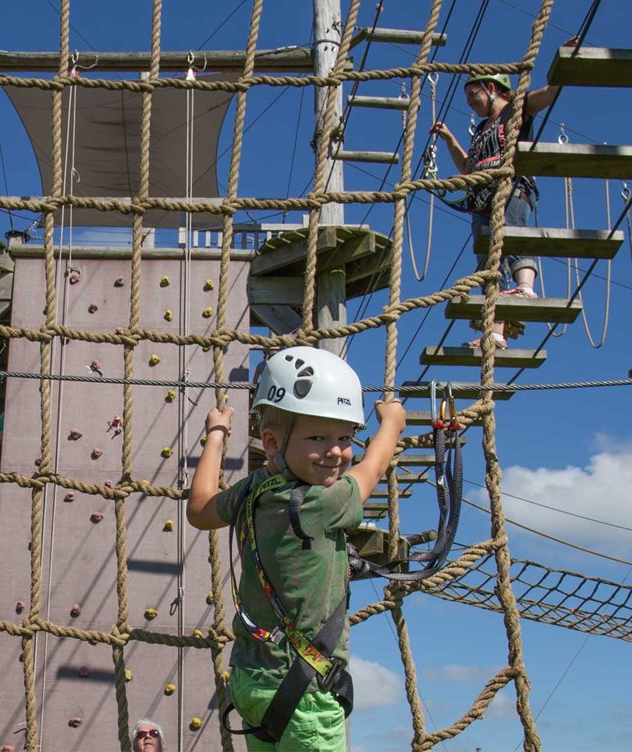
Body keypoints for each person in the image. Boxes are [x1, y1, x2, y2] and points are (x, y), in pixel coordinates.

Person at [187, 346, 407, 750]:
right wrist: (392, 424)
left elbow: (200, 508)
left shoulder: (250, 492)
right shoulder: (324, 501)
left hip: (251, 683)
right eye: (318, 437)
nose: (336, 451)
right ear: (271, 442)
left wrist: (216, 433)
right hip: (306, 692)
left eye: (345, 437)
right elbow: (372, 468)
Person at [429, 55, 572, 349]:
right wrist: (449, 140)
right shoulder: (482, 130)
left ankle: (526, 288)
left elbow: (547, 95)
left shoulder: (515, 111)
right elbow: (468, 168)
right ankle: (494, 331)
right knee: (488, 262)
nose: (470, 101)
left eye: (474, 94)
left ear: (492, 88)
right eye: (467, 97)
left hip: (512, 186)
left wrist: (565, 65)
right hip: (481, 197)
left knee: (512, 234)